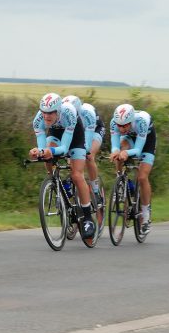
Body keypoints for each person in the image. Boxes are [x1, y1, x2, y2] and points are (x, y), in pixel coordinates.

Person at [29, 93, 96, 239]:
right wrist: (39, 152)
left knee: (77, 175)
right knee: (46, 152)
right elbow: (42, 148)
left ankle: (87, 217)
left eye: (51, 113)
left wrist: (49, 151)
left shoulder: (69, 112)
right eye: (44, 112)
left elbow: (65, 148)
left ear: (58, 111)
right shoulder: (38, 120)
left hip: (75, 134)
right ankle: (53, 181)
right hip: (56, 132)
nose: (46, 116)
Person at [109, 103, 156, 234]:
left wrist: (126, 153)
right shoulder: (115, 123)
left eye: (124, 125)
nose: (121, 128)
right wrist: (116, 152)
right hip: (130, 138)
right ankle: (120, 180)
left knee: (142, 177)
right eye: (119, 125)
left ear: (131, 121)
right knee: (121, 149)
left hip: (146, 141)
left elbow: (138, 150)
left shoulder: (141, 122)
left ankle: (146, 214)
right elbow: (115, 144)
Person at [63, 96, 106, 204]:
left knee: (89, 155)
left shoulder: (87, 114)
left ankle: (95, 190)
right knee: (71, 158)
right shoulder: (66, 114)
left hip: (94, 130)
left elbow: (85, 145)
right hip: (78, 131)